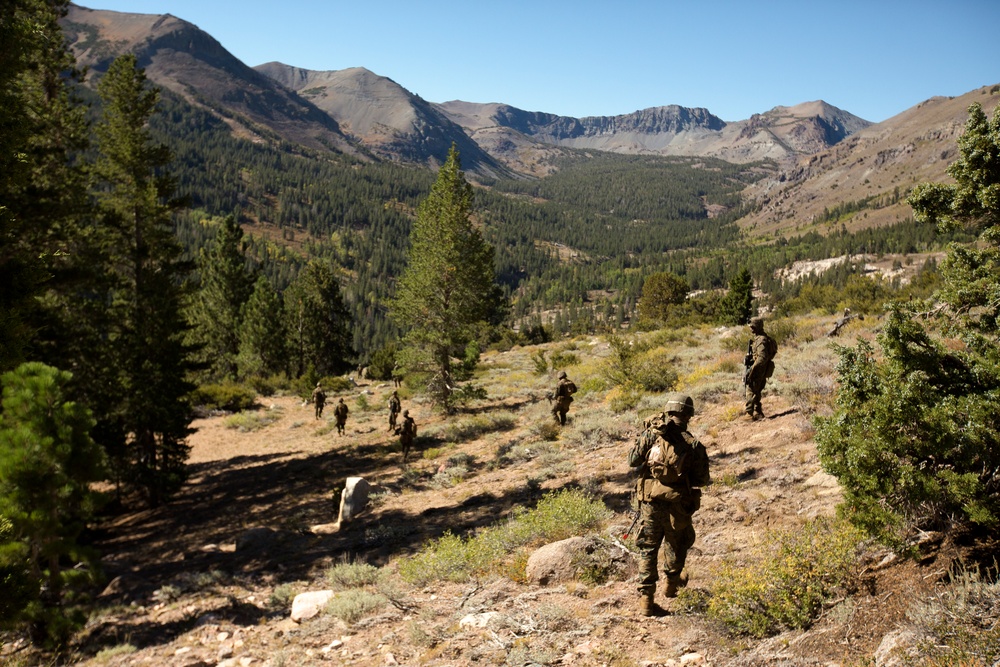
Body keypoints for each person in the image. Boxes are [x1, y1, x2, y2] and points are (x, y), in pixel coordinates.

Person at [628, 394, 711, 616]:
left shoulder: (652, 435)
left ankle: (646, 599)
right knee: (677, 543)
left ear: (668, 411)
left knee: (647, 546)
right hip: (678, 503)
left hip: (650, 502)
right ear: (688, 415)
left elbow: (632, 460)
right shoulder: (693, 443)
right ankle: (672, 584)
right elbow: (702, 480)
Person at [743, 316, 777, 420]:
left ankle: (749, 413)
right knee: (756, 391)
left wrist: (752, 370)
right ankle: (758, 412)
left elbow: (762, 357)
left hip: (759, 369)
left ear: (758, 327)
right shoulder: (763, 338)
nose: (751, 328)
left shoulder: (761, 340)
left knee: (750, 389)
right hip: (762, 368)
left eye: (753, 327)